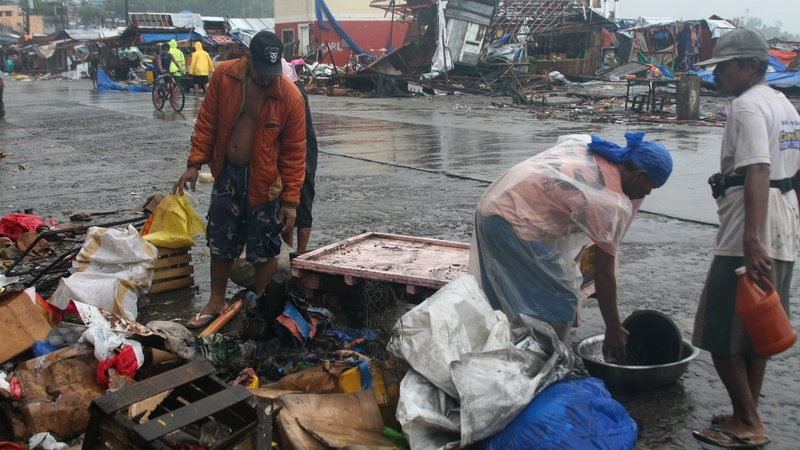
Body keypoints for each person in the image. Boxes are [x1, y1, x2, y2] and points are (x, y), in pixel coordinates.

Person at [691, 28, 800, 449]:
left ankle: (749, 423)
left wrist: (752, 238)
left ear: (751, 67)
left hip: (748, 228)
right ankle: (744, 410)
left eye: (724, 66)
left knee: (720, 330)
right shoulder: (784, 105)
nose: (716, 74)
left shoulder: (748, 107)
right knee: (759, 325)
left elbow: (757, 169)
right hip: (783, 222)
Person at [470, 132, 672, 358]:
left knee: (508, 298)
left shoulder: (593, 148)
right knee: (560, 301)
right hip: (511, 222)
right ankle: (544, 364)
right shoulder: (607, 202)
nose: (647, 193)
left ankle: (504, 355)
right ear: (639, 174)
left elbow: (566, 144)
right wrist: (613, 327)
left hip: (494, 202)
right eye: (651, 186)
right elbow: (604, 273)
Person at [172, 31, 306, 329]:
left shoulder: (290, 96)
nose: (265, 78)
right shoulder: (224, 76)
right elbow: (207, 121)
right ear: (248, 58)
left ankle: (259, 306)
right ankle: (216, 301)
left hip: (266, 180)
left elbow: (295, 154)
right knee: (221, 240)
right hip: (228, 173)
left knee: (265, 246)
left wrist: (291, 202)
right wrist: (194, 163)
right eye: (260, 71)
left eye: (271, 72)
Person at [281, 59, 318, 252]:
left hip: (303, 160)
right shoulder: (290, 87)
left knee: (301, 212)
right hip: (290, 159)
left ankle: (300, 255)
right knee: (286, 211)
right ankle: (288, 256)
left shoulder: (294, 93)